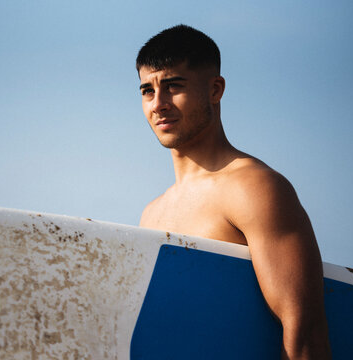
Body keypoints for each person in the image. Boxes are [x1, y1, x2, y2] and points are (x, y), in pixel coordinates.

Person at [137, 25, 331, 359]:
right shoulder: (151, 213)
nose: (159, 104)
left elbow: (304, 333)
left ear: (215, 89)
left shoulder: (253, 188)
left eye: (173, 87)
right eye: (147, 91)